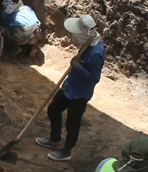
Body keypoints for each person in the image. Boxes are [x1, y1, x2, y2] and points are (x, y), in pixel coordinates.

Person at [35, 14, 105, 161]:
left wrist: (77, 67)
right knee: (53, 109)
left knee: (72, 123)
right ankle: (54, 141)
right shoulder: (87, 42)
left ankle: (66, 151)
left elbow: (94, 78)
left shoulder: (96, 53)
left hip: (80, 94)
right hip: (70, 86)